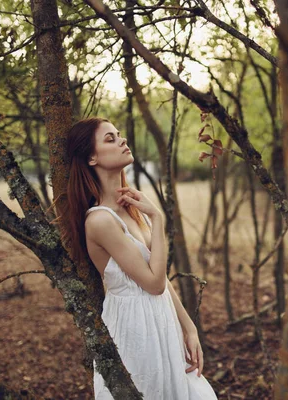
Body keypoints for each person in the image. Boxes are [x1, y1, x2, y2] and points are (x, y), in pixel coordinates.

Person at [56, 117, 218, 399]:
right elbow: (153, 283)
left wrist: (189, 328)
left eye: (120, 135)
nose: (122, 140)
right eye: (110, 139)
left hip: (161, 318)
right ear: (91, 157)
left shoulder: (132, 209)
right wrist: (158, 217)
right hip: (134, 329)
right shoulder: (100, 221)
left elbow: (160, 279)